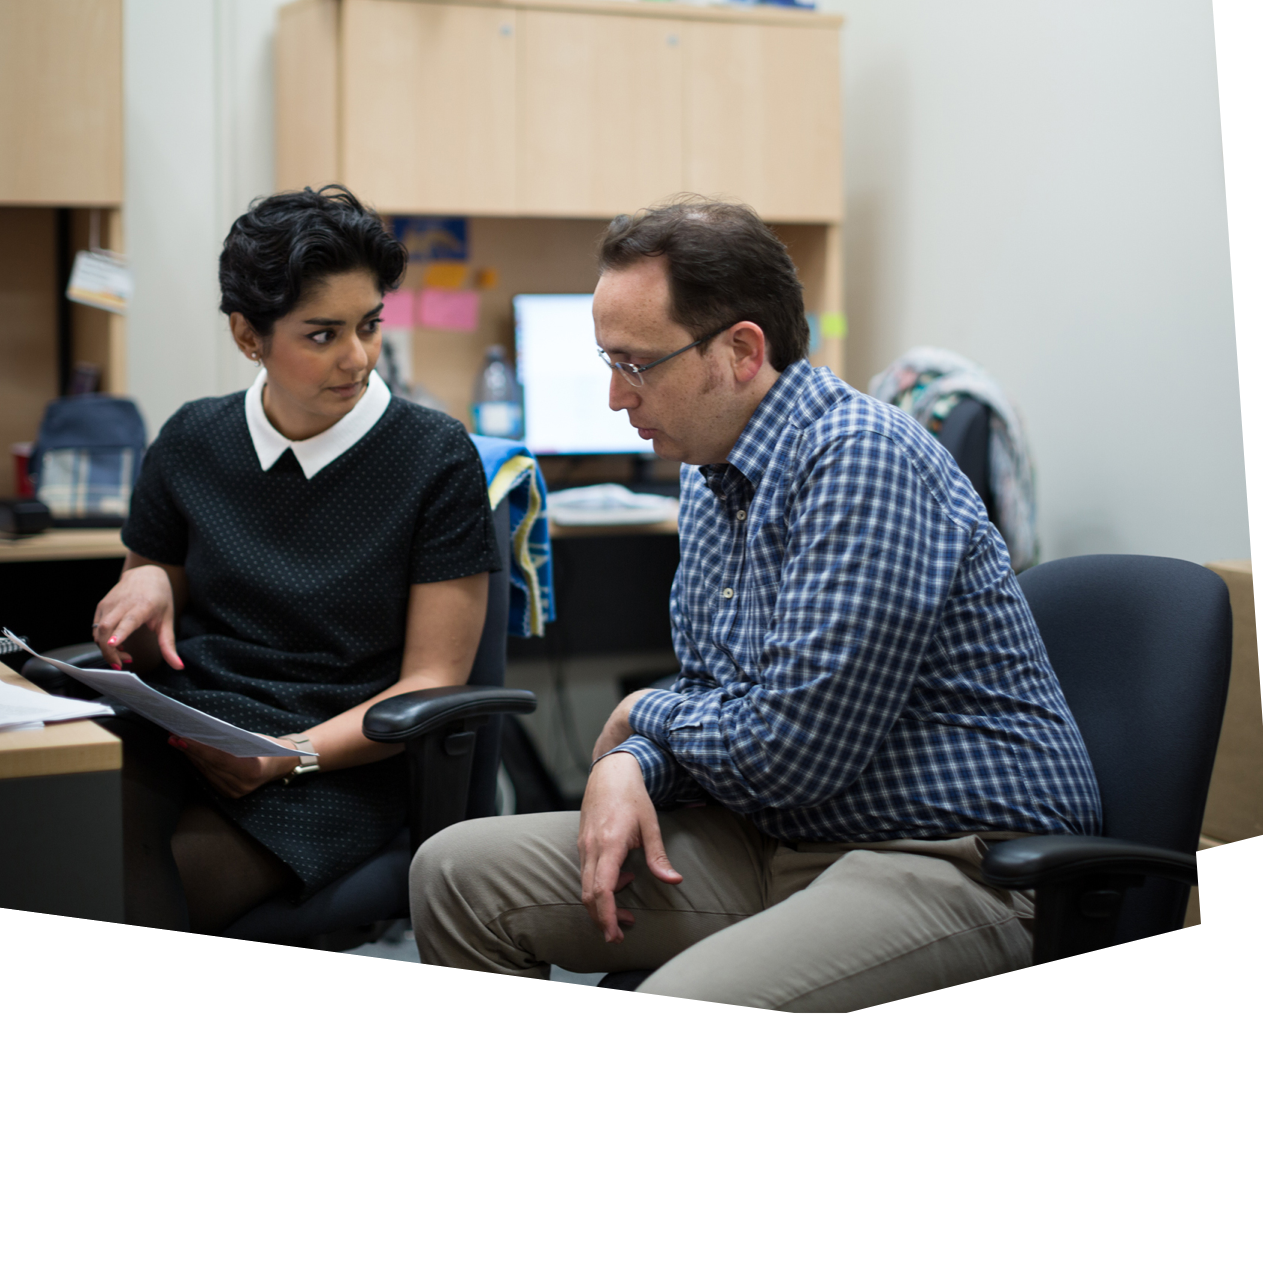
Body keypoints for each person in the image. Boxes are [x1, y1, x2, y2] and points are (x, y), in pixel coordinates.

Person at [409, 200, 1103, 1011]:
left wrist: (640, 718)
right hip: (782, 831)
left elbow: (794, 751)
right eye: (607, 361)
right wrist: (633, 758)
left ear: (740, 351)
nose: (613, 398)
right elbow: (714, 692)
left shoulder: (861, 459)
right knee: (454, 873)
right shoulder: (714, 475)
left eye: (635, 364)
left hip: (952, 857)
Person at [92, 185, 500, 934]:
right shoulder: (191, 440)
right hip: (189, 732)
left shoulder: (434, 458)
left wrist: (287, 757)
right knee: (48, 839)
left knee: (141, 888)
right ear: (250, 336)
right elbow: (152, 609)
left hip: (330, 765)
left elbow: (433, 680)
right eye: (322, 335)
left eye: (369, 326)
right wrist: (149, 580)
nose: (358, 359)